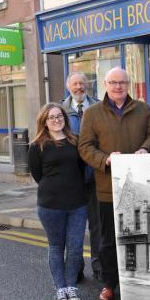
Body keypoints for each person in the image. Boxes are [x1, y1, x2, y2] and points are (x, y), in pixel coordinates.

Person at [78, 67, 150, 300]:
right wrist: (105, 159)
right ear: (105, 84)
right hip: (108, 188)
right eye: (113, 82)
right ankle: (109, 284)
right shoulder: (92, 113)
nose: (118, 86)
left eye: (122, 82)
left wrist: (146, 147)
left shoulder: (142, 108)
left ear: (128, 84)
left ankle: (141, 285)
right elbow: (85, 147)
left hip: (140, 185)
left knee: (142, 237)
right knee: (109, 241)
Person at [28, 103, 88, 300]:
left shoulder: (75, 141)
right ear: (44, 121)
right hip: (50, 205)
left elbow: (81, 169)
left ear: (65, 118)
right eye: (51, 117)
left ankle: (71, 286)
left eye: (59, 116)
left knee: (75, 248)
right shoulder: (37, 146)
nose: (56, 120)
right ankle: (60, 289)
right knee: (56, 247)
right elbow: (37, 174)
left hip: (77, 203)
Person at [61, 71, 102, 281]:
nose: (79, 87)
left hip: (96, 178)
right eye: (75, 84)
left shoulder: (99, 106)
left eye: (82, 83)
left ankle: (99, 268)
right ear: (69, 87)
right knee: (74, 228)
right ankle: (75, 269)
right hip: (73, 181)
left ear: (88, 85)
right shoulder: (60, 111)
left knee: (97, 227)